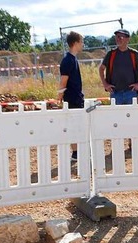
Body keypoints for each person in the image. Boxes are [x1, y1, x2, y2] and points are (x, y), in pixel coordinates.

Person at [99, 29, 138, 105]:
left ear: (127, 39)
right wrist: (105, 84)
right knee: (117, 116)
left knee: (131, 116)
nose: (118, 39)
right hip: (115, 93)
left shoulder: (134, 54)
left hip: (131, 93)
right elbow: (101, 69)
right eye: (116, 37)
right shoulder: (111, 54)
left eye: (120, 37)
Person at [58, 31, 84, 162]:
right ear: (75, 43)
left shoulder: (72, 59)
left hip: (76, 97)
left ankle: (77, 152)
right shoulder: (68, 60)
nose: (82, 44)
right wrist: (60, 96)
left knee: (77, 126)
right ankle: (75, 153)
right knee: (73, 126)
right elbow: (63, 81)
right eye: (81, 41)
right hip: (71, 99)